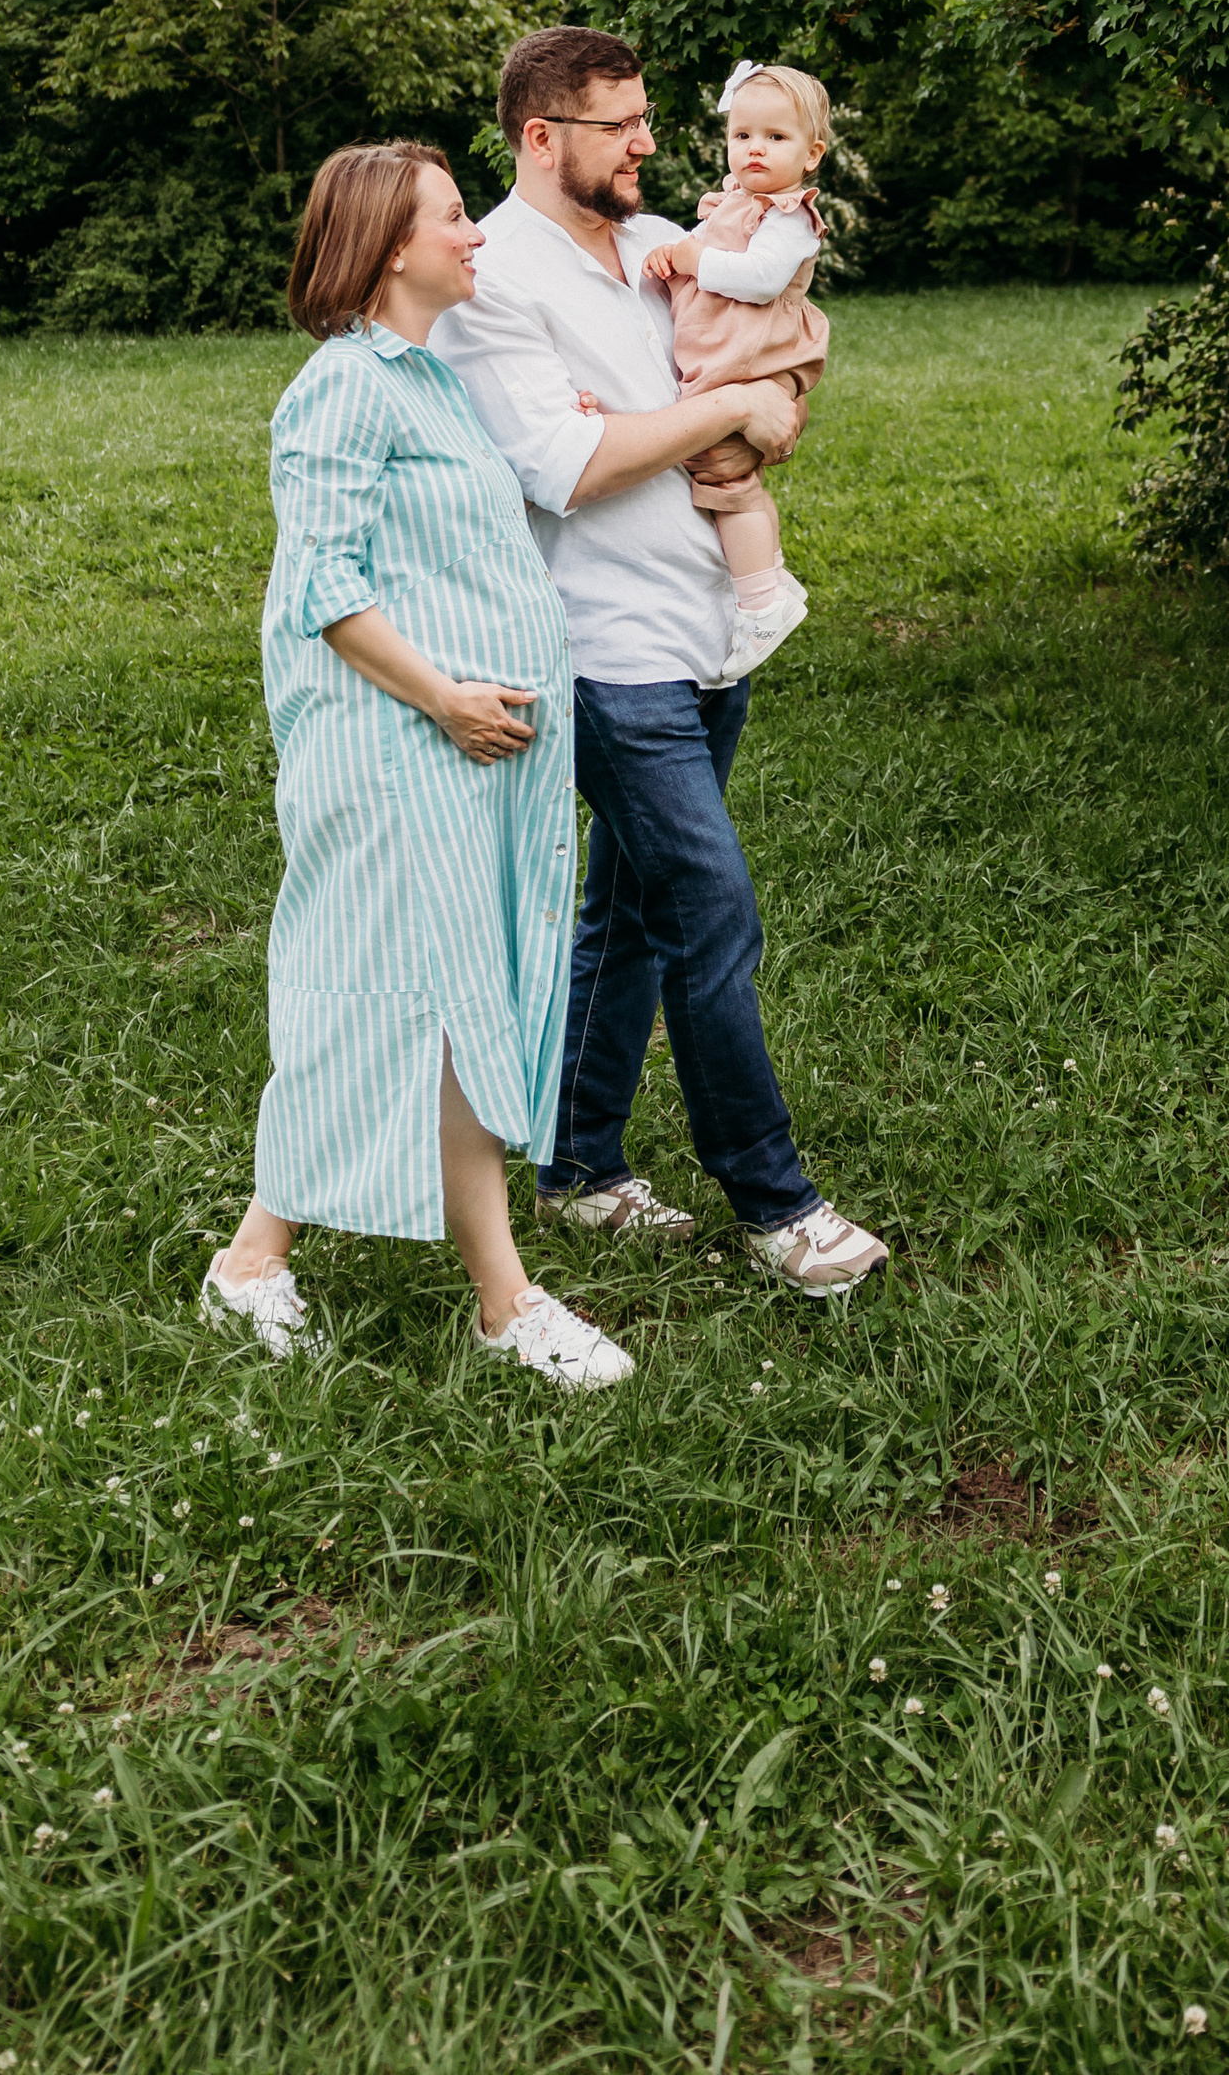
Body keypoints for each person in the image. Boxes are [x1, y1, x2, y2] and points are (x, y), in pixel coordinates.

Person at [199, 139, 811, 1387]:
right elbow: (320, 589)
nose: (473, 233)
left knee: (415, 1003)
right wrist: (444, 696)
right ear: (386, 250)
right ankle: (504, 1301)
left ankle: (256, 1258)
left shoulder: (429, 382)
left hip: (463, 751)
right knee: (434, 1009)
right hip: (395, 748)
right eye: (446, 221)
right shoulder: (341, 389)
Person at [431, 25, 889, 1295]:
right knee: (708, 907)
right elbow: (569, 467)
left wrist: (752, 408)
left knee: (628, 912)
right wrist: (716, 412)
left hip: (703, 630)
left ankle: (579, 1168)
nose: (648, 142)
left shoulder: (655, 248)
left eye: (645, 119)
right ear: (541, 137)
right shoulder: (493, 276)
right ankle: (774, 1201)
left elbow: (761, 376)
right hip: (602, 649)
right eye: (619, 124)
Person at [642, 57, 833, 680]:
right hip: (727, 356)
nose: (755, 149)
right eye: (743, 135)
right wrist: (677, 257)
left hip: (751, 358)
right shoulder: (733, 203)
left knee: (726, 480)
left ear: (812, 154)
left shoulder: (789, 218)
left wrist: (693, 259)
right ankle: (769, 575)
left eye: (776, 138)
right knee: (722, 473)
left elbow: (757, 280)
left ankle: (760, 601)